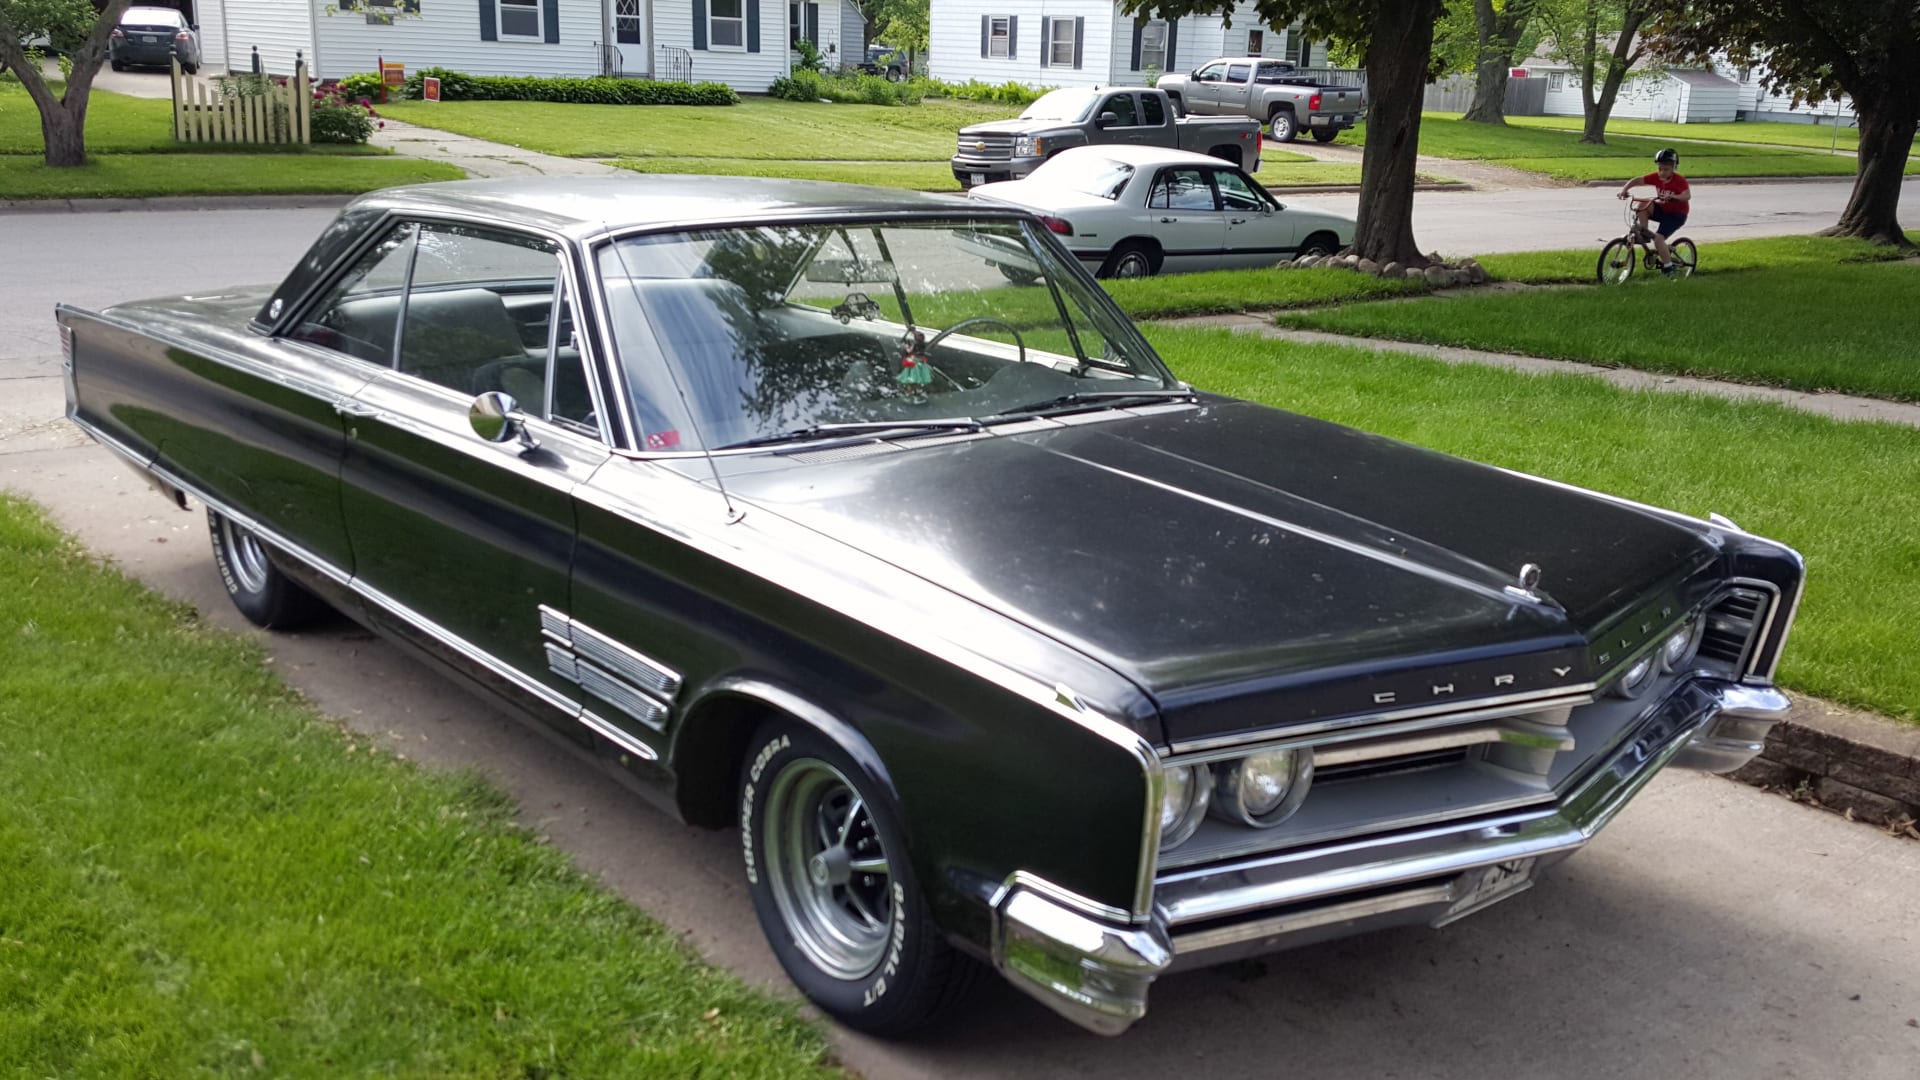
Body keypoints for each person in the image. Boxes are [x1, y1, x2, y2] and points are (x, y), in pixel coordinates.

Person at [1617, 148, 1691, 276]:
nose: (1662, 172)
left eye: (1666, 169)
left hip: (1677, 215)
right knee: (1643, 205)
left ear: (1674, 168)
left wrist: (1675, 197)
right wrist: (1624, 190)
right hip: (1663, 210)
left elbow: (1687, 195)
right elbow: (1636, 180)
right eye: (1660, 168)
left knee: (1658, 239)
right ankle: (1644, 233)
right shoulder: (1656, 178)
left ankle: (1668, 267)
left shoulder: (1679, 181)